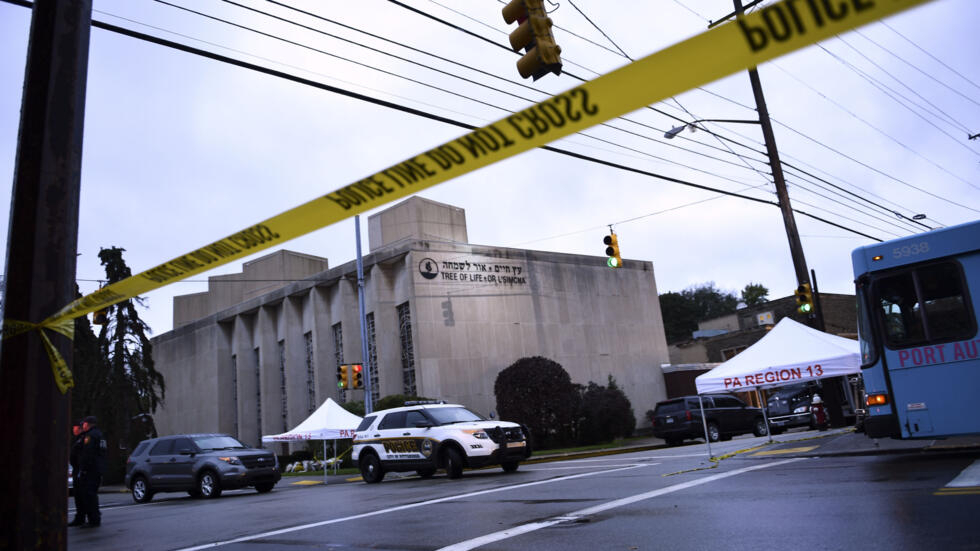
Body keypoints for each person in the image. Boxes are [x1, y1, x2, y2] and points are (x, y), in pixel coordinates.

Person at [75, 415, 106, 528]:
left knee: (89, 495)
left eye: (84, 424)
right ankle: (94, 517)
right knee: (92, 494)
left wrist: (83, 468)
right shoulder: (100, 435)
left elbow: (88, 454)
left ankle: (93, 519)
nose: (83, 425)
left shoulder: (90, 436)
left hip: (90, 470)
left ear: (87, 424)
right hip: (97, 469)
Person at [68, 421, 86, 526]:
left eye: (76, 428)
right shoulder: (78, 439)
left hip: (80, 471)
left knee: (81, 496)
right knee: (78, 496)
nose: (74, 430)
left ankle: (81, 517)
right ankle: (80, 516)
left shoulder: (82, 439)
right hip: (77, 470)